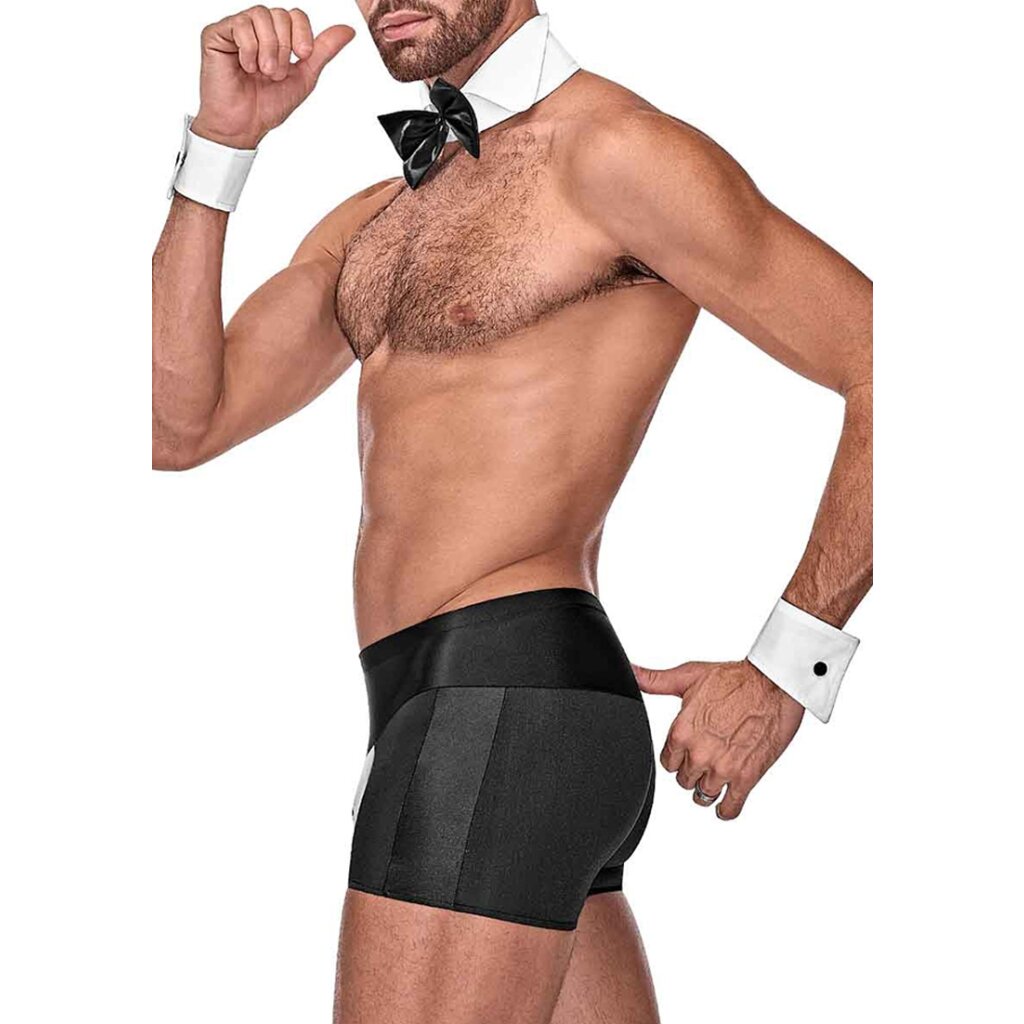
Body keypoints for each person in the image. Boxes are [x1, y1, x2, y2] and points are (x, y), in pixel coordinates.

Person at [152, 2, 873, 1021]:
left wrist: (790, 664)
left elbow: (900, 364)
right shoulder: (380, 214)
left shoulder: (615, 153)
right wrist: (222, 148)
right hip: (461, 716)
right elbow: (181, 421)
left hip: (501, 701)